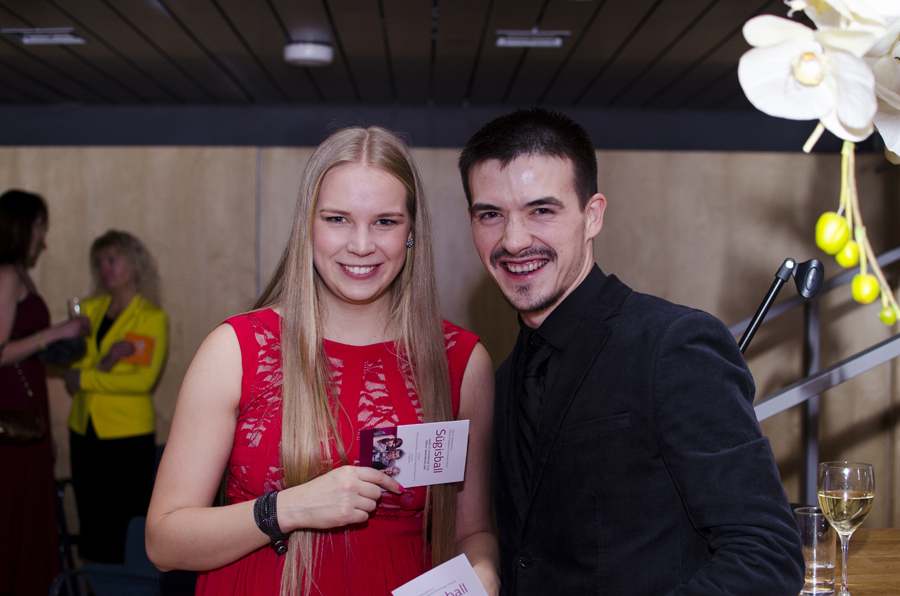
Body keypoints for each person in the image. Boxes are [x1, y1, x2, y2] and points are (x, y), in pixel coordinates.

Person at [457, 108, 805, 596]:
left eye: (542, 210)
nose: (513, 241)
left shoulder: (675, 345)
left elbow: (766, 554)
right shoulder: (505, 375)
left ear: (592, 215)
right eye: (490, 215)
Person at [145, 126, 499, 596]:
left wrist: (485, 571)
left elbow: (472, 532)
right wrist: (288, 509)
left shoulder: (460, 362)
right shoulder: (236, 350)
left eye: (385, 222)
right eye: (337, 219)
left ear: (411, 231)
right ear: (307, 225)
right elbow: (164, 542)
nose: (361, 244)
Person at [0, 189, 90, 596]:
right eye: (39, 225)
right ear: (20, 225)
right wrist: (56, 333)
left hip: (27, 411)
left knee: (29, 513)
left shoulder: (19, 273)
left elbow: (28, 356)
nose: (42, 236)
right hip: (11, 416)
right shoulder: (7, 275)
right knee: (15, 512)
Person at [63, 230, 168, 564]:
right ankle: (95, 581)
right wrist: (106, 365)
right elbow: (71, 372)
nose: (105, 269)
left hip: (127, 435)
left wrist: (89, 377)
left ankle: (128, 581)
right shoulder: (87, 310)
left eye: (112, 260)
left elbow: (142, 381)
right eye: (99, 263)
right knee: (91, 516)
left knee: (124, 519)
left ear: (134, 263)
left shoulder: (151, 318)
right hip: (84, 428)